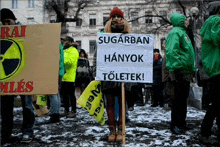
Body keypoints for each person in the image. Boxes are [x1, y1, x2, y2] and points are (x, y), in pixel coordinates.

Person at [93, 7, 132, 142]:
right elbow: (97, 57)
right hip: (108, 76)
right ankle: (112, 130)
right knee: (109, 103)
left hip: (124, 76)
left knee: (122, 103)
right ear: (110, 19)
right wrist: (96, 74)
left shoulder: (129, 37)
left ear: (123, 19)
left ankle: (121, 129)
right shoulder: (103, 36)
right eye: (113, 17)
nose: (116, 19)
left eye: (119, 16)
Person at [0, 8, 35, 144]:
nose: (6, 25)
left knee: (27, 105)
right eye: (3, 23)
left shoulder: (26, 32)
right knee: (5, 106)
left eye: (8, 21)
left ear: (14, 19)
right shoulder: (2, 34)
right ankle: (5, 134)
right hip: (7, 74)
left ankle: (27, 132)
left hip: (24, 73)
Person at [165, 13, 196, 135]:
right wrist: (176, 69)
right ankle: (174, 124)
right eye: (185, 20)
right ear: (179, 21)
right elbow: (172, 51)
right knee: (177, 99)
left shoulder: (183, 33)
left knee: (183, 99)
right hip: (179, 71)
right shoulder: (175, 33)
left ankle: (181, 122)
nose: (186, 22)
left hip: (185, 70)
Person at [199, 1, 220, 144]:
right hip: (218, 66)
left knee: (217, 102)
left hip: (214, 67)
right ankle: (205, 132)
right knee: (217, 103)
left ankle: (208, 131)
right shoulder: (217, 21)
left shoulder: (209, 22)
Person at [44, 39, 65, 123]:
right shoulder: (60, 46)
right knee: (56, 93)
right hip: (58, 72)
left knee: (53, 93)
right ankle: (56, 113)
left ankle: (55, 115)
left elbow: (56, 60)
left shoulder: (56, 46)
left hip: (54, 71)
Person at [60, 36, 79, 118]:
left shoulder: (74, 51)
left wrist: (60, 61)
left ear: (71, 42)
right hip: (63, 76)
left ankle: (74, 111)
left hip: (70, 76)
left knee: (71, 95)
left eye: (66, 41)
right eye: (64, 41)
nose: (64, 43)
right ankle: (66, 110)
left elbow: (70, 62)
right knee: (64, 95)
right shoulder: (64, 50)